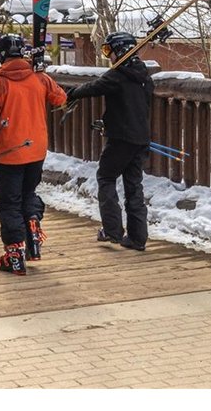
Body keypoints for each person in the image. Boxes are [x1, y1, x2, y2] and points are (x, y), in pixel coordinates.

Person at [0, 33, 67, 275]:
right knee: (28, 194)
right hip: (36, 150)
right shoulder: (39, 77)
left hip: (10, 152)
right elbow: (60, 98)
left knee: (9, 203)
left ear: (1, 55)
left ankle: (14, 254)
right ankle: (32, 227)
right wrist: (42, 72)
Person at [64, 31, 153, 251]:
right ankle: (137, 237)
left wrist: (71, 93)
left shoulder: (117, 75)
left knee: (106, 177)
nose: (109, 56)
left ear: (120, 51)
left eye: (109, 51)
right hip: (141, 138)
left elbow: (93, 87)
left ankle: (112, 230)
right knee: (134, 186)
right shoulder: (144, 76)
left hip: (121, 139)